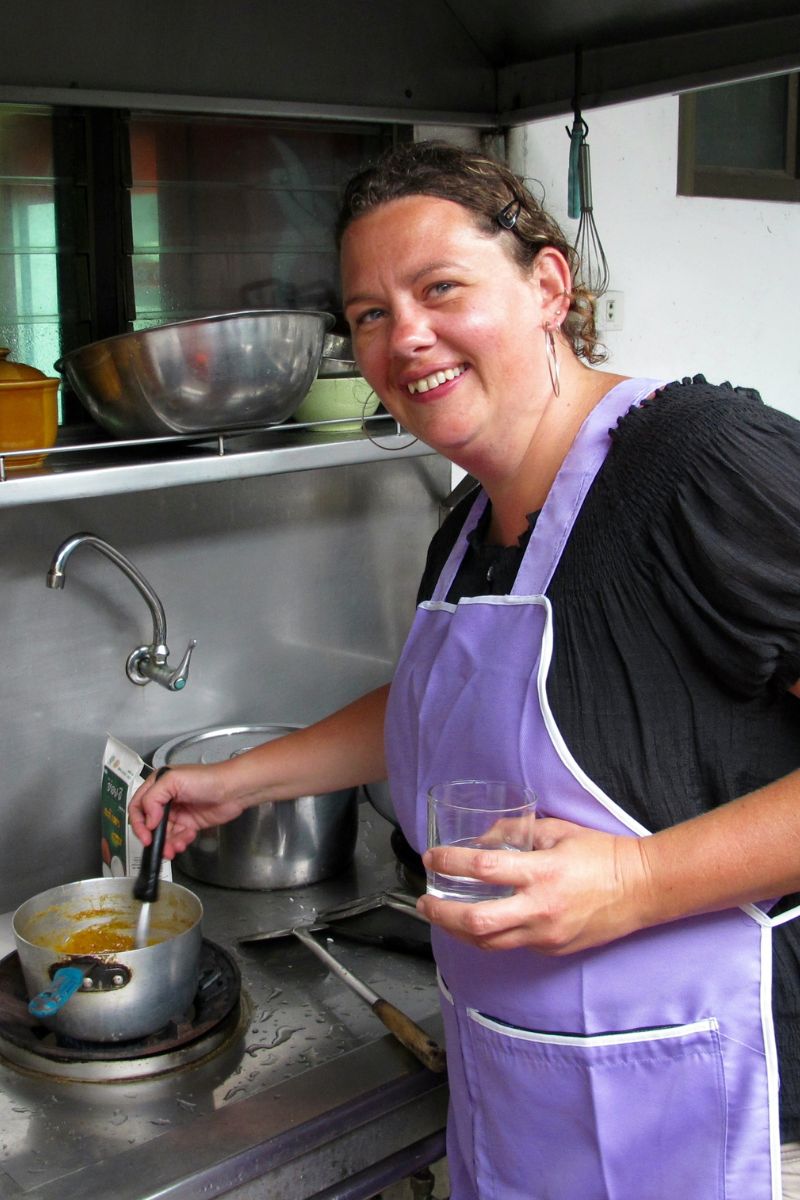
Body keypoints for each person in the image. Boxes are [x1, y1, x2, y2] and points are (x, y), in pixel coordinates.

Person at [130, 140, 800, 1199]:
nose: (406, 337)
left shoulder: (701, 466)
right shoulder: (469, 524)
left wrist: (634, 883)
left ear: (545, 286)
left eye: (439, 288)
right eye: (367, 314)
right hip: (524, 1103)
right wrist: (240, 780)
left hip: (725, 1113)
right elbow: (447, 701)